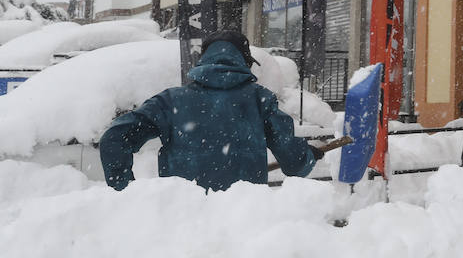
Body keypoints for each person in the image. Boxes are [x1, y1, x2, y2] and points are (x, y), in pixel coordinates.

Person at [99, 29, 321, 192]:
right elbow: (294, 163)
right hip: (244, 219)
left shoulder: (170, 101)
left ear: (202, 61)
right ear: (244, 62)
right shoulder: (260, 99)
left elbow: (114, 138)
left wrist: (124, 190)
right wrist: (309, 155)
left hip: (185, 219)